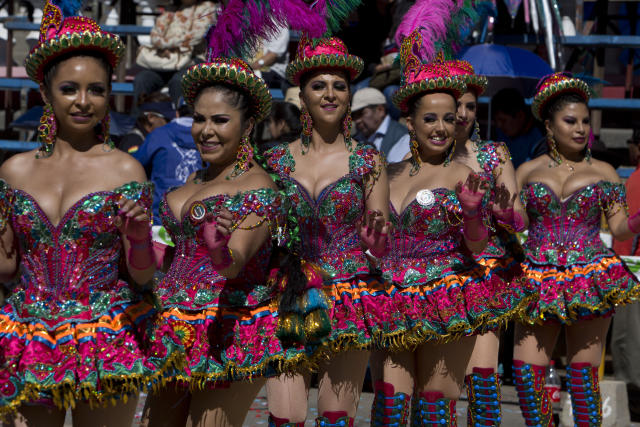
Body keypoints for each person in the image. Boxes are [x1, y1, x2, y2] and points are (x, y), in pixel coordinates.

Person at [0, 1, 179, 424]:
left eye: (96, 90)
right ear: (45, 93)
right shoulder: (14, 171)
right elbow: (7, 269)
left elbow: (141, 275)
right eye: (69, 89)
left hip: (107, 335)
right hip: (31, 335)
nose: (84, 102)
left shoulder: (124, 169)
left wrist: (138, 238)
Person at [141, 56, 311, 427]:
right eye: (199, 118)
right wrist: (133, 237)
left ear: (248, 125)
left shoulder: (258, 188)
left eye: (220, 120)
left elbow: (235, 261)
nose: (206, 130)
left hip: (229, 328)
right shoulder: (190, 184)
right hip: (173, 325)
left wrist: (218, 246)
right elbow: (167, 261)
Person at [369, 31, 523, 426]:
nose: (441, 128)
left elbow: (477, 242)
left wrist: (476, 214)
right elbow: (376, 240)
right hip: (390, 299)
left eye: (449, 119)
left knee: (437, 408)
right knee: (388, 409)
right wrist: (370, 245)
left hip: (447, 297)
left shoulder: (466, 171)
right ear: (410, 121)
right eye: (430, 119)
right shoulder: (386, 172)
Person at [264, 35, 391, 426]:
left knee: (337, 417)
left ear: (351, 96)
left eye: (340, 86)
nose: (330, 94)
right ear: (301, 96)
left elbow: (382, 238)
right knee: (285, 417)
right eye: (319, 85)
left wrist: (375, 243)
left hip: (351, 292)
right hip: (288, 292)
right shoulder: (274, 161)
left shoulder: (368, 160)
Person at [514, 72, 640, 426]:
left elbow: (617, 227)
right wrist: (494, 211)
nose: (581, 128)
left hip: (589, 276)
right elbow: (517, 225)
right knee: (526, 377)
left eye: (585, 121)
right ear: (549, 126)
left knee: (584, 378)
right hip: (537, 276)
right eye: (570, 121)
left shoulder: (605, 171)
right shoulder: (526, 171)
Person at [449, 59, 530, 426]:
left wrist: (505, 213)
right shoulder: (418, 159)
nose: (463, 113)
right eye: (456, 106)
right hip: (437, 277)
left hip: (484, 275)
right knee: (439, 391)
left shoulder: (494, 154)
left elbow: (521, 217)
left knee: (482, 382)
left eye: (470, 106)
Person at [132, 0, 219, 112]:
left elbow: (196, 37)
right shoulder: (170, 8)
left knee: (179, 81)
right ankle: (139, 120)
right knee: (142, 79)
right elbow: (154, 36)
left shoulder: (207, 8)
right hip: (165, 60)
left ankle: (182, 119)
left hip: (192, 59)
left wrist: (166, 44)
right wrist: (171, 46)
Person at [611, 126, 640, 422]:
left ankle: (633, 403)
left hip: (634, 270)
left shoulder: (636, 179)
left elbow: (626, 237)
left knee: (627, 341)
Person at [133, 99, 200, 224]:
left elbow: (135, 164)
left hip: (162, 218)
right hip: (198, 216)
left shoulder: (159, 134)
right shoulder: (207, 136)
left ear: (177, 114)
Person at [491, 87, 546, 168]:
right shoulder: (499, 135)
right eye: (496, 121)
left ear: (520, 116)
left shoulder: (539, 139)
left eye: (503, 120)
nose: (499, 125)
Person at [352, 87, 409, 163]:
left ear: (380, 110)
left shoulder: (403, 137)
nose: (357, 120)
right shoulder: (355, 139)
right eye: (354, 116)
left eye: (361, 113)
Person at [250, 25, 290, 91]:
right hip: (252, 67)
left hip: (272, 70)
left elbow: (272, 56)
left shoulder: (280, 24)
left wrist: (249, 68)